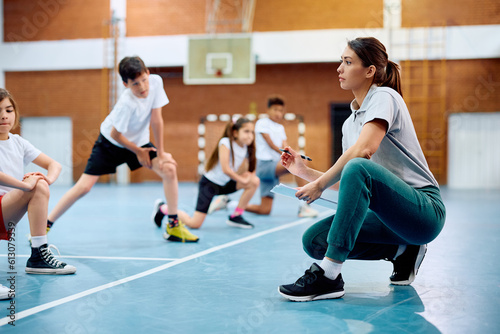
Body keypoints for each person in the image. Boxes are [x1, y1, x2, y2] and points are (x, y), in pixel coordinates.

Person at [277, 37, 446, 302]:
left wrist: (318, 186)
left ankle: (329, 275)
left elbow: (363, 153)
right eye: (340, 62)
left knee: (359, 165)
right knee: (315, 240)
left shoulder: (384, 96)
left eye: (347, 62)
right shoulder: (349, 124)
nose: (339, 69)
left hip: (423, 211)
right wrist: (303, 172)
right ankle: (403, 250)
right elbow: (348, 181)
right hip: (389, 219)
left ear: (370, 71)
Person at [46, 56, 199, 243]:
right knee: (84, 187)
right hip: (110, 144)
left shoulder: (156, 83)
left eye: (144, 80)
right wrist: (139, 151)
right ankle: (45, 224)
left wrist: (160, 152)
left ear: (148, 73)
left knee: (169, 168)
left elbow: (156, 119)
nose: (142, 87)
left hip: (138, 143)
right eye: (135, 84)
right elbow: (116, 134)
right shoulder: (127, 104)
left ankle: (173, 225)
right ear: (126, 84)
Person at [0, 89, 76, 299]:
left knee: (40, 184)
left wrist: (45, 180)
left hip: (5, 210)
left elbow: (54, 164)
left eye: (8, 109)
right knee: (33, 184)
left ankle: (38, 256)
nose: (4, 115)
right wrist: (24, 185)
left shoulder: (17, 142)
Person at [209, 96, 318, 218]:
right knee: (301, 163)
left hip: (273, 170)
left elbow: (284, 146)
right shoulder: (262, 123)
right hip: (265, 166)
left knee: (264, 210)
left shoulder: (280, 128)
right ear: (268, 110)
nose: (278, 113)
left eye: (281, 111)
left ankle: (228, 203)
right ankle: (304, 207)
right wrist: (293, 156)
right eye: (275, 110)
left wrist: (291, 152)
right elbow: (271, 144)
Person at [152, 117, 259, 229]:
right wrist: (242, 179)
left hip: (225, 184)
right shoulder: (226, 143)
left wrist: (248, 175)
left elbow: (251, 169)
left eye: (252, 132)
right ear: (235, 132)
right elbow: (226, 169)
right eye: (246, 131)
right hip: (209, 185)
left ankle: (236, 216)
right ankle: (163, 208)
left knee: (254, 181)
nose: (250, 135)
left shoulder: (246, 147)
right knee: (195, 224)